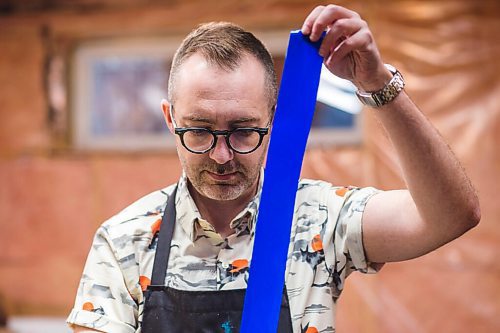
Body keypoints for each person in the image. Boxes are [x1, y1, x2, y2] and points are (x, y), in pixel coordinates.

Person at [67, 4, 480, 333]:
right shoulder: (125, 241)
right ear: (170, 119)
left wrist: (377, 83)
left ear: (274, 122)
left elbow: (450, 217)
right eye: (199, 130)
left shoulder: (320, 219)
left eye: (244, 131)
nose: (222, 155)